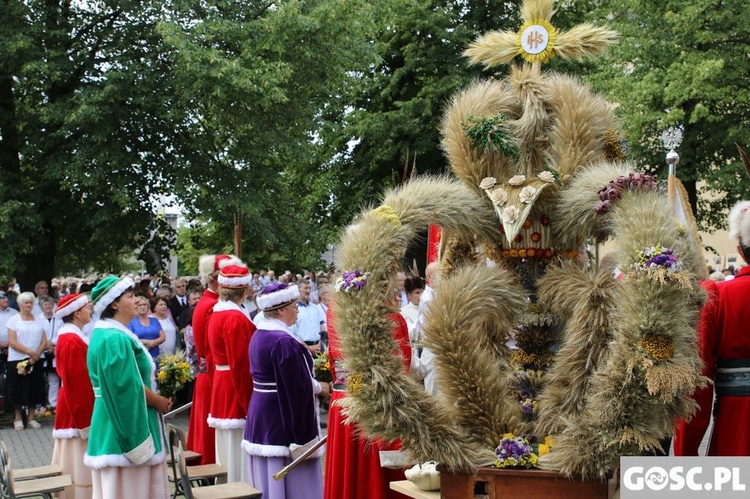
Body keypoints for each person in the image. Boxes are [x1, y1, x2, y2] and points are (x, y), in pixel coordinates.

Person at [85, 276, 172, 499]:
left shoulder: (113, 333)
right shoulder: (113, 338)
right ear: (114, 303)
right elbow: (126, 388)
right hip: (123, 428)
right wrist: (158, 401)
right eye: (130, 295)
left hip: (117, 422)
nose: (137, 300)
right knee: (130, 491)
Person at [675, 201, 750, 456]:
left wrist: (686, 453)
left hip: (737, 429)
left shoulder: (719, 296)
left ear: (739, 250)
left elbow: (699, 383)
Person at [243, 282, 327, 499]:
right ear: (281, 310)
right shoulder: (283, 341)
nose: (297, 311)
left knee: (267, 476)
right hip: (279, 416)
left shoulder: (260, 334)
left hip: (261, 413)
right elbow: (297, 387)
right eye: (294, 306)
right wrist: (320, 387)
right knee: (290, 479)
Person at [324, 302, 412, 499]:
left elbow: (334, 358)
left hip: (346, 391)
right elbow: (401, 357)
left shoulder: (335, 304)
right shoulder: (383, 306)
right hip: (375, 394)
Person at [188, 254, 241, 466]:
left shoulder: (211, 302)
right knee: (213, 445)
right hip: (214, 378)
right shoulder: (212, 305)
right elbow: (211, 350)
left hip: (210, 377)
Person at [207, 264, 256, 482]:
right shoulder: (234, 318)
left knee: (227, 450)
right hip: (234, 388)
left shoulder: (217, 313)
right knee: (236, 450)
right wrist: (249, 404)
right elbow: (241, 365)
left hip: (222, 383)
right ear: (244, 291)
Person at [52, 293, 95, 499]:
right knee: (78, 461)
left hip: (74, 406)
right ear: (77, 313)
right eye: (87, 307)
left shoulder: (73, 336)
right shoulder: (71, 340)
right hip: (75, 411)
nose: (91, 310)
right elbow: (76, 383)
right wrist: (84, 420)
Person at [5, 292, 47, 430]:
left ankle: (31, 417)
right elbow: (12, 341)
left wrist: (37, 354)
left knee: (34, 387)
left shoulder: (38, 319)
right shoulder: (13, 320)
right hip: (17, 359)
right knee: (17, 388)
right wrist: (30, 352)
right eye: (26, 302)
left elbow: (44, 341)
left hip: (36, 359)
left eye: (30, 302)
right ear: (20, 304)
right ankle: (18, 418)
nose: (28, 305)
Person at [36, 294, 61, 411]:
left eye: (50, 304)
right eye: (45, 304)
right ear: (41, 306)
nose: (48, 306)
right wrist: (46, 344)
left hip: (55, 350)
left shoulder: (59, 319)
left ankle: (53, 403)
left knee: (53, 378)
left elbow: (61, 333)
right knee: (40, 378)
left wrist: (52, 343)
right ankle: (40, 403)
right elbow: (37, 334)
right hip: (41, 350)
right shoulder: (38, 319)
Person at [293, 279, 325, 355]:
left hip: (319, 347)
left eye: (309, 288)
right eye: (305, 288)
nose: (308, 291)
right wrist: (308, 348)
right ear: (298, 290)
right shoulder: (294, 309)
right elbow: (294, 333)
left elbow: (322, 326)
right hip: (302, 348)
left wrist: (320, 344)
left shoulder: (314, 307)